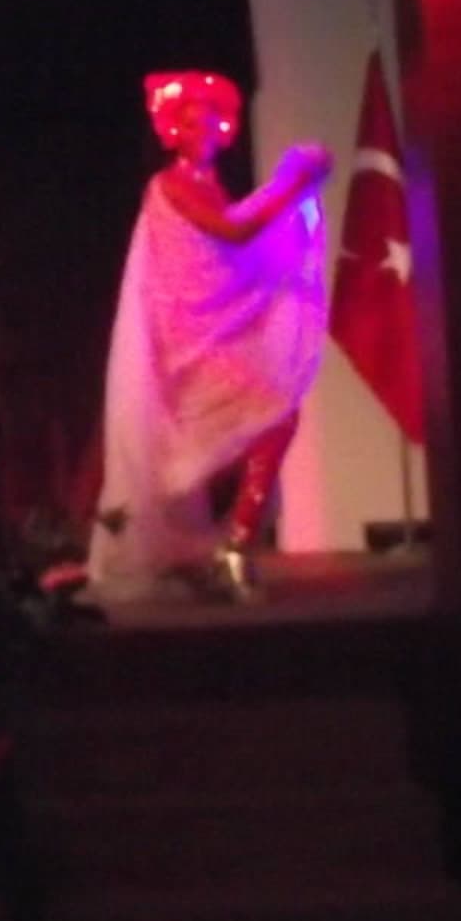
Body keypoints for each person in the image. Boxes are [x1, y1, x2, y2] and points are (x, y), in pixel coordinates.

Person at [85, 73, 333, 605]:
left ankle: (234, 545)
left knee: (273, 419)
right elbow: (234, 234)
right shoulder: (169, 184)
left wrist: (293, 191)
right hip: (185, 348)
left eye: (211, 121)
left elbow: (234, 240)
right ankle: (230, 547)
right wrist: (289, 186)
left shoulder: (211, 185)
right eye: (191, 122)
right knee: (267, 419)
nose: (204, 131)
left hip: (207, 341)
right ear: (173, 132)